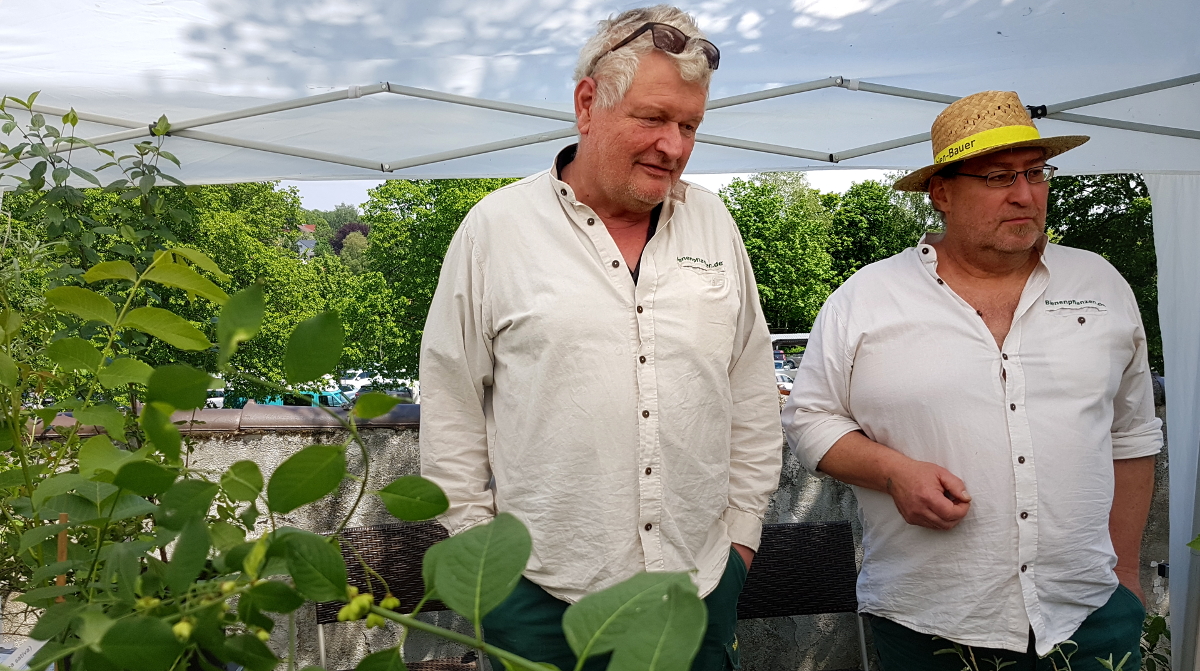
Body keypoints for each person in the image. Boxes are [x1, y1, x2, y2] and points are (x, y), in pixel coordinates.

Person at [419, 6, 782, 670]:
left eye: (689, 126)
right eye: (653, 118)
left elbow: (752, 392)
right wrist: (487, 575)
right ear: (587, 104)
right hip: (538, 604)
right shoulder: (496, 230)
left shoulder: (714, 223)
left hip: (696, 594)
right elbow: (450, 408)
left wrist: (739, 543)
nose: (673, 146)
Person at [782, 90, 1162, 670]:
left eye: (1035, 172)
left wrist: (1127, 578)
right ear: (941, 193)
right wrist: (894, 472)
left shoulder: (1100, 284)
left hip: (1089, 612)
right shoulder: (867, 298)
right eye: (998, 177)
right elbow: (809, 418)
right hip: (932, 619)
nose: (1024, 194)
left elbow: (1131, 436)